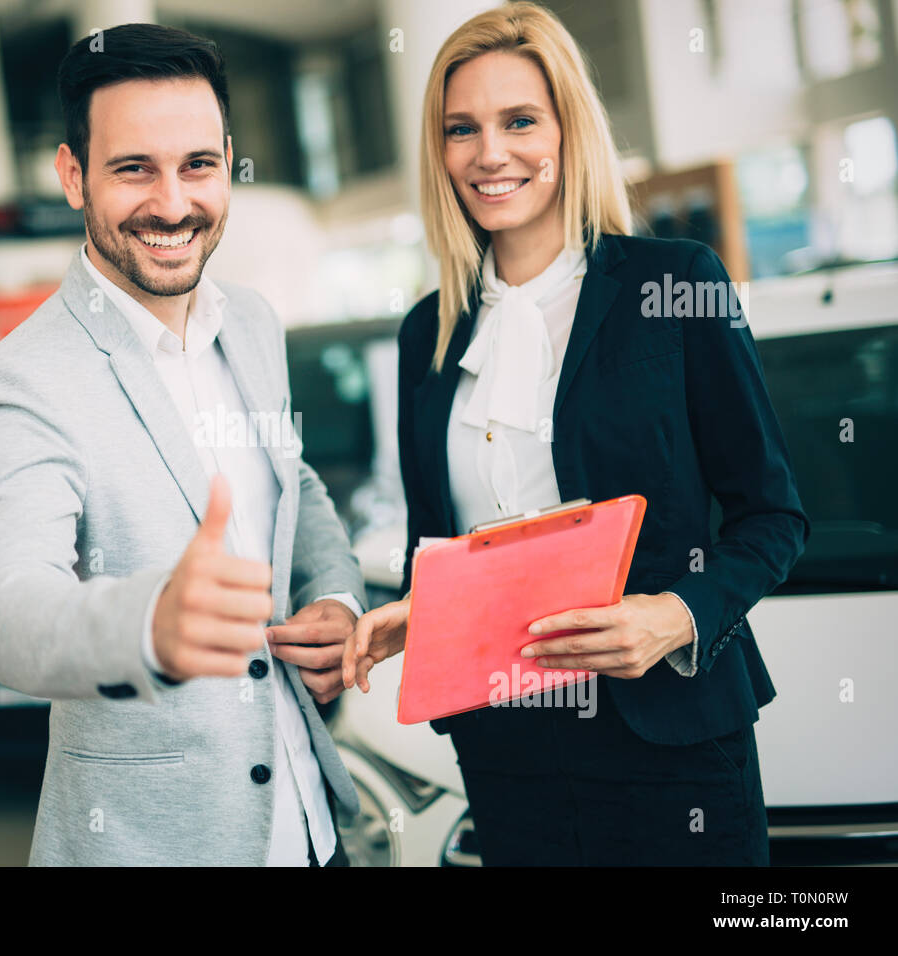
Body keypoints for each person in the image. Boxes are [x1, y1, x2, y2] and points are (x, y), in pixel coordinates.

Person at [343, 2, 808, 865]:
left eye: (520, 120)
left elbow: (772, 517)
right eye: (461, 129)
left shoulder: (674, 286)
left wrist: (675, 616)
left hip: (669, 741)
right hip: (505, 747)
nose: (490, 154)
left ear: (567, 128)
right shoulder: (427, 333)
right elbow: (439, 543)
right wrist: (416, 612)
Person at [0, 23, 366, 866]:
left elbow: (299, 486)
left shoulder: (249, 321)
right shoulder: (19, 382)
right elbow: (3, 607)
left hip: (313, 829)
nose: (174, 204)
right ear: (74, 176)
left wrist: (337, 599)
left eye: (198, 165)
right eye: (134, 168)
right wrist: (147, 622)